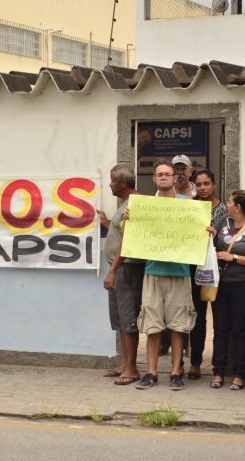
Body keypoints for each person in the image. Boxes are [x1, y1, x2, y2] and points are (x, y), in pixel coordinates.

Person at [133, 161, 196, 391]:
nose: (163, 177)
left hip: (179, 272)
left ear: (174, 178)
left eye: (167, 174)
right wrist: (128, 219)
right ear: (154, 179)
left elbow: (197, 232)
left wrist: (206, 230)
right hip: (152, 271)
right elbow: (128, 231)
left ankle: (176, 372)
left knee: (178, 326)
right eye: (159, 174)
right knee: (152, 325)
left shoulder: (187, 204)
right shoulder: (145, 206)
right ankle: (151, 372)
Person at [207, 190, 245, 391]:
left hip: (243, 286)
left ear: (237, 207)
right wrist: (213, 236)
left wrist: (234, 258)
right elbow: (215, 247)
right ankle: (218, 371)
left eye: (229, 201)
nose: (227, 204)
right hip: (220, 285)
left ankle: (239, 374)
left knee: (239, 330)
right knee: (220, 329)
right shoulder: (224, 221)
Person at [100, 165, 144, 385]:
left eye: (112, 181)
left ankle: (133, 368)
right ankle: (124, 363)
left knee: (128, 319)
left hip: (126, 269)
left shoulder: (135, 205)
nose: (110, 185)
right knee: (119, 319)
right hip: (120, 269)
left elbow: (129, 242)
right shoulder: (124, 205)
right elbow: (120, 232)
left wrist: (113, 270)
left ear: (123, 183)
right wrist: (107, 223)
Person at [187, 169, 227, 380]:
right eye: (199, 184)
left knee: (219, 319)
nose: (202, 188)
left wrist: (216, 236)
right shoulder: (189, 207)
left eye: (206, 184)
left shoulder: (224, 210)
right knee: (197, 318)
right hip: (195, 269)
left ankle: (218, 367)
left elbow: (229, 241)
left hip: (217, 270)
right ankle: (195, 363)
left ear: (213, 185)